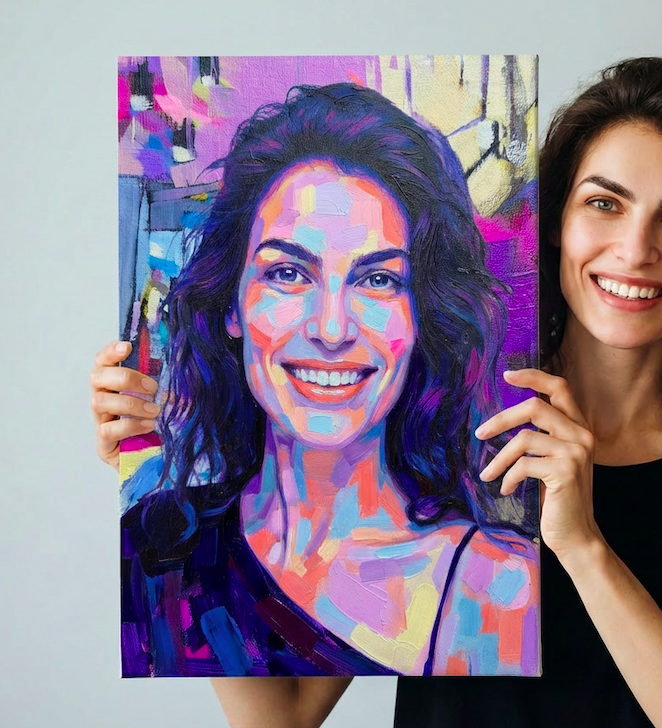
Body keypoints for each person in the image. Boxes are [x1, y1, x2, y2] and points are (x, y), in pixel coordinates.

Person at [93, 56, 662, 727]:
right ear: (555, 222)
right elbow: (284, 718)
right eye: (604, 203)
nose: (634, 249)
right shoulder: (455, 431)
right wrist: (166, 465)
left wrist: (582, 548)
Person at [106, 82, 540, 680]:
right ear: (232, 303)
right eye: (288, 272)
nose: (332, 327)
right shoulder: (146, 552)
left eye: (379, 281)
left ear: (422, 319)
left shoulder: (502, 594)